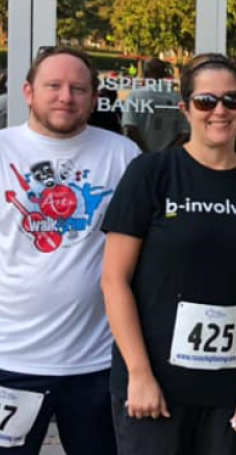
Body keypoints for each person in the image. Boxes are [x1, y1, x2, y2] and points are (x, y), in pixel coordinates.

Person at [100, 53, 236, 455]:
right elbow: (114, 279)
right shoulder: (151, 174)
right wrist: (139, 373)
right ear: (186, 109)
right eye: (206, 101)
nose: (219, 110)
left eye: (232, 100)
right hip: (154, 387)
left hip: (229, 391)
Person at [0, 46, 140, 454]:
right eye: (54, 86)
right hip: (10, 361)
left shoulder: (122, 155)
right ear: (28, 92)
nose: (66, 97)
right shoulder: (3, 150)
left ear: (94, 98)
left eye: (78, 88)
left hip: (97, 363)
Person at [122, 58, 188, 152]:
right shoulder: (177, 98)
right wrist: (166, 154)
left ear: (145, 74)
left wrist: (146, 153)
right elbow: (185, 133)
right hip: (168, 156)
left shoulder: (135, 95)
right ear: (164, 74)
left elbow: (130, 128)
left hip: (140, 155)